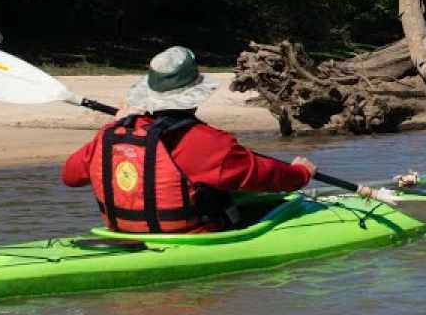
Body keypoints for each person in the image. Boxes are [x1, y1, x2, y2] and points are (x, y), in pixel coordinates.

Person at [61, 46, 315, 233]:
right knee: (238, 202)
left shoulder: (108, 134)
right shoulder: (207, 142)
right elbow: (263, 175)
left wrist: (119, 124)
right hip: (192, 238)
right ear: (194, 95)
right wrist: (300, 173)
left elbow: (70, 176)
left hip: (123, 235)